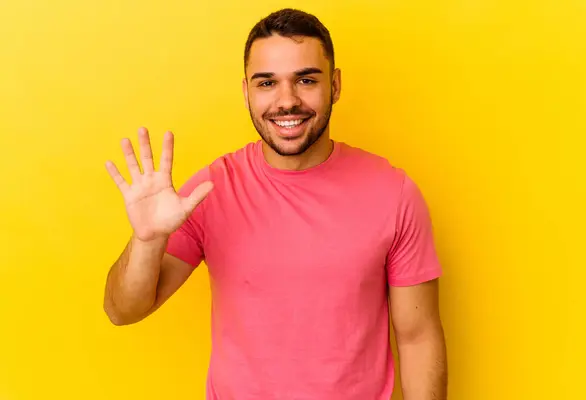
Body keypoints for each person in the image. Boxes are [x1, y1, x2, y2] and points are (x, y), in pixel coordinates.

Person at [103, 7, 448, 400]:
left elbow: (419, 338)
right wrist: (146, 240)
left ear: (334, 85)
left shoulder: (394, 193)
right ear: (246, 90)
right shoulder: (212, 189)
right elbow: (122, 311)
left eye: (306, 80)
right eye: (267, 83)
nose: (287, 101)